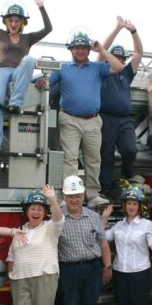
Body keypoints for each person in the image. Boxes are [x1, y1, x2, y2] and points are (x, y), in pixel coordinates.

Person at [49, 31, 124, 208]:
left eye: (84, 47)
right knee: (70, 159)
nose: (80, 50)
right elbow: (46, 82)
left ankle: (93, 195)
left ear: (89, 49)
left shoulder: (98, 67)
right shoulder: (62, 67)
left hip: (93, 120)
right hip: (69, 119)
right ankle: (70, 195)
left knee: (94, 160)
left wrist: (102, 50)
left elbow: (119, 67)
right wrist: (40, 82)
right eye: (77, 47)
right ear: (70, 49)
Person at [0, 0, 52, 151]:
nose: (14, 23)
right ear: (6, 21)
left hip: (18, 72)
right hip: (1, 71)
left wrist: (41, 7)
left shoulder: (28, 38)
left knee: (29, 60)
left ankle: (15, 104)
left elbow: (48, 28)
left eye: (17, 20)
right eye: (10, 20)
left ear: (22, 22)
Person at [6, 185, 64, 305]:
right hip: (20, 279)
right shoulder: (19, 231)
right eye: (33, 208)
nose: (36, 212)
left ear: (45, 212)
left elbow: (59, 218)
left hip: (44, 276)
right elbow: (10, 257)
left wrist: (52, 198)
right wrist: (11, 277)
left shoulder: (50, 228)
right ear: (27, 211)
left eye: (40, 209)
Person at [57, 175, 113, 305]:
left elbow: (103, 244)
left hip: (92, 269)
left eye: (78, 196)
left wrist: (107, 266)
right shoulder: (58, 219)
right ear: (64, 197)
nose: (74, 199)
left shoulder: (93, 217)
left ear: (83, 196)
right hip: (69, 270)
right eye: (70, 196)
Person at [97, 16, 144, 198]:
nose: (118, 59)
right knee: (106, 155)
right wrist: (117, 28)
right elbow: (102, 49)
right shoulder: (101, 70)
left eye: (120, 57)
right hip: (106, 118)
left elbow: (139, 53)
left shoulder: (126, 73)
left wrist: (133, 31)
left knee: (130, 149)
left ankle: (127, 172)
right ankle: (106, 187)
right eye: (115, 56)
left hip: (125, 119)